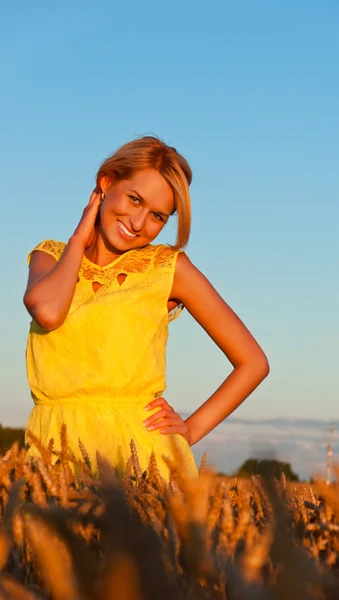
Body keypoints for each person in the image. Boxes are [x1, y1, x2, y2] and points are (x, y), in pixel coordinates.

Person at [23, 136, 270, 480]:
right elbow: (47, 311)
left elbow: (253, 363)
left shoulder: (168, 268)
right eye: (134, 199)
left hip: (141, 456)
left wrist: (190, 430)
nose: (138, 223)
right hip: (53, 449)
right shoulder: (50, 256)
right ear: (106, 182)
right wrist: (79, 238)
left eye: (156, 216)